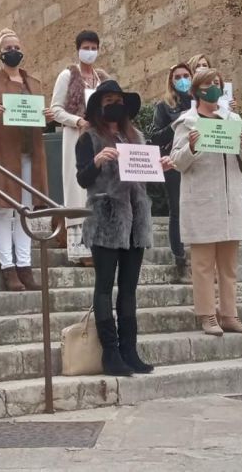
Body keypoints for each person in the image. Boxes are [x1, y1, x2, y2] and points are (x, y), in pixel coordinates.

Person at [76, 81, 171, 376]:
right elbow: (82, 179)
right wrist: (96, 161)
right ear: (98, 106)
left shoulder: (136, 137)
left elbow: (146, 177)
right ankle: (111, 353)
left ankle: (130, 350)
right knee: (104, 286)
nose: (114, 105)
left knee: (129, 289)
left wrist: (161, 168)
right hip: (105, 217)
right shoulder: (89, 138)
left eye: (118, 100)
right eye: (108, 100)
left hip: (136, 219)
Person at [170, 68, 242, 336]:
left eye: (217, 83)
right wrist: (191, 147)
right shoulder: (187, 123)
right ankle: (208, 314)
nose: (214, 88)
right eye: (208, 84)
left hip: (230, 200)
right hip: (202, 200)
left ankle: (229, 314)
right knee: (203, 265)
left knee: (229, 266)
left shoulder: (233, 119)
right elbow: (176, 161)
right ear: (196, 90)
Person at [0, 28, 49, 292]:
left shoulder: (34, 83)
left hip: (31, 152)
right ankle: (8, 267)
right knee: (4, 209)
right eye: (8, 48)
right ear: (0, 52)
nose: (13, 51)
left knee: (26, 210)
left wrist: (47, 117)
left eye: (17, 47)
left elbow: (38, 115)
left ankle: (25, 266)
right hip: (4, 152)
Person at [47, 30, 110, 265]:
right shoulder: (67, 76)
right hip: (76, 137)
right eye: (86, 47)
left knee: (99, 189)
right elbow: (55, 109)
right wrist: (78, 121)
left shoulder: (102, 80)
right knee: (78, 190)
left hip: (99, 139)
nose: (90, 52)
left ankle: (100, 246)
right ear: (78, 49)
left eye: (94, 47)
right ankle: (81, 250)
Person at [148, 63, 194, 268]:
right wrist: (176, 125)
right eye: (177, 77)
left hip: (197, 160)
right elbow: (155, 137)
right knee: (177, 207)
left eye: (186, 75)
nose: (183, 80)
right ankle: (179, 255)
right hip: (173, 162)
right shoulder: (164, 106)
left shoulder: (199, 102)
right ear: (171, 81)